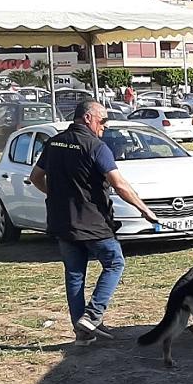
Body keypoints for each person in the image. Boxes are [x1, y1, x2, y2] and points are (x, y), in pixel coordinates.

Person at [29, 99, 160, 345]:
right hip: (93, 222)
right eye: (103, 121)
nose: (104, 126)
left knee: (75, 275)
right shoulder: (96, 146)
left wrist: (56, 195)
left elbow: (36, 177)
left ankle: (82, 333)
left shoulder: (54, 142)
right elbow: (119, 184)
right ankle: (92, 315)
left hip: (63, 222)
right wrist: (144, 210)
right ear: (87, 118)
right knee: (114, 263)